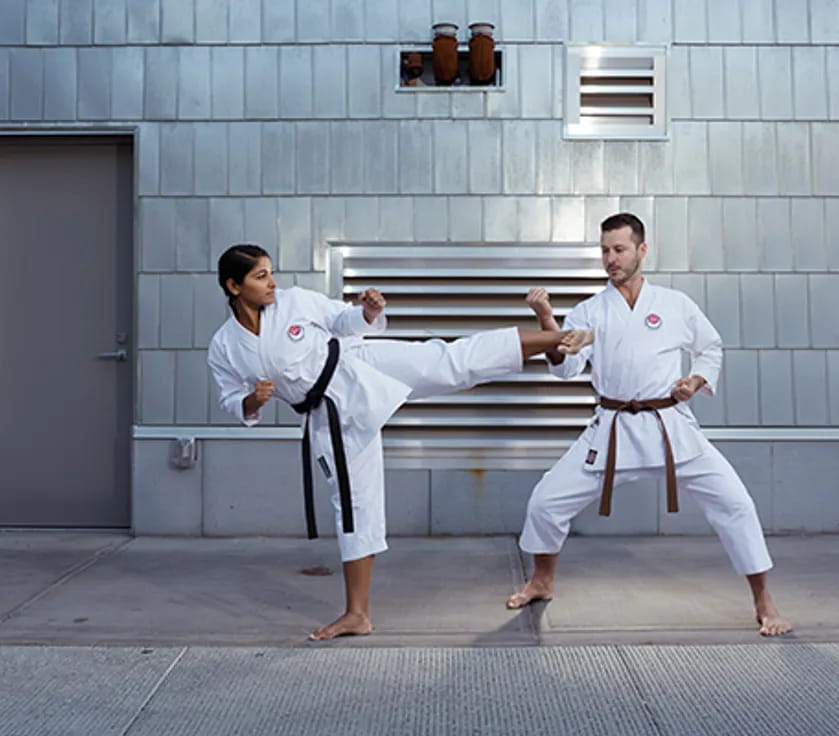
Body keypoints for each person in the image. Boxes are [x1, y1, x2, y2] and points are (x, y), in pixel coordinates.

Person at [207, 244, 594, 641]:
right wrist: (253, 400)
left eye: (271, 272)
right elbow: (230, 398)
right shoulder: (224, 347)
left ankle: (555, 338)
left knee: (447, 361)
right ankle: (357, 614)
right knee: (354, 506)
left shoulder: (293, 302)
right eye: (260, 277)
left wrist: (368, 312)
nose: (272, 283)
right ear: (233, 286)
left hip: (357, 364)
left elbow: (342, 320)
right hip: (329, 415)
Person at [506, 213, 792, 637]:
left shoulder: (675, 305)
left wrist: (694, 381)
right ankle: (542, 580)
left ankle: (764, 601)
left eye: (619, 249)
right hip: (613, 429)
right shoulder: (591, 312)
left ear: (642, 250)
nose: (610, 259)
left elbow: (710, 348)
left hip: (670, 426)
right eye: (604, 250)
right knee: (546, 501)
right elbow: (564, 366)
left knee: (736, 504)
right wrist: (547, 319)